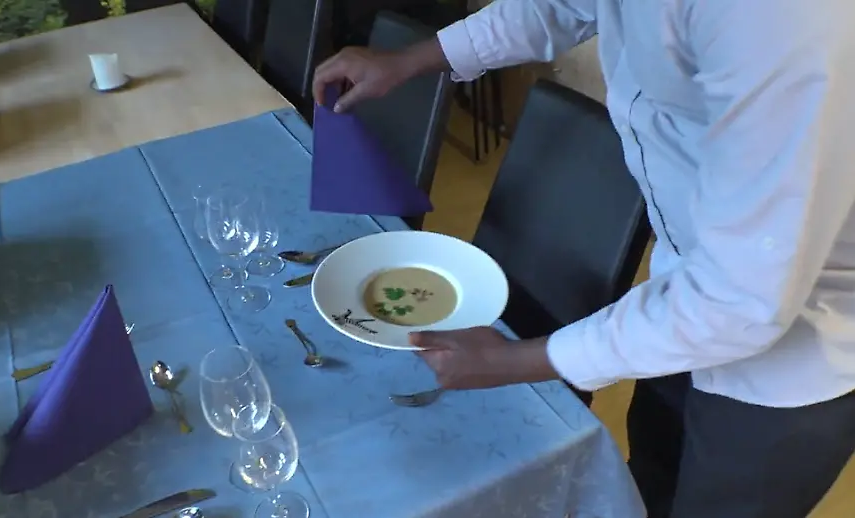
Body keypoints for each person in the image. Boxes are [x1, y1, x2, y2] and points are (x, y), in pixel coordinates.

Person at [312, 1, 855, 517]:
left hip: (788, 365)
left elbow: (738, 301)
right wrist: (410, 60)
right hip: (675, 298)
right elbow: (558, 8)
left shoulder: (780, 18)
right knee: (647, 485)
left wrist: (514, 362)